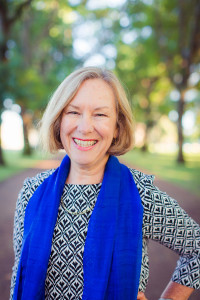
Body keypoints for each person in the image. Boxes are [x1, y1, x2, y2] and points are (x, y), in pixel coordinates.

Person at [10, 67, 200, 300]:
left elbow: (196, 249)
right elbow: (19, 274)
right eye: (73, 112)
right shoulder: (32, 191)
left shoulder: (140, 193)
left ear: (117, 127)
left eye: (100, 114)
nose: (85, 126)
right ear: (59, 120)